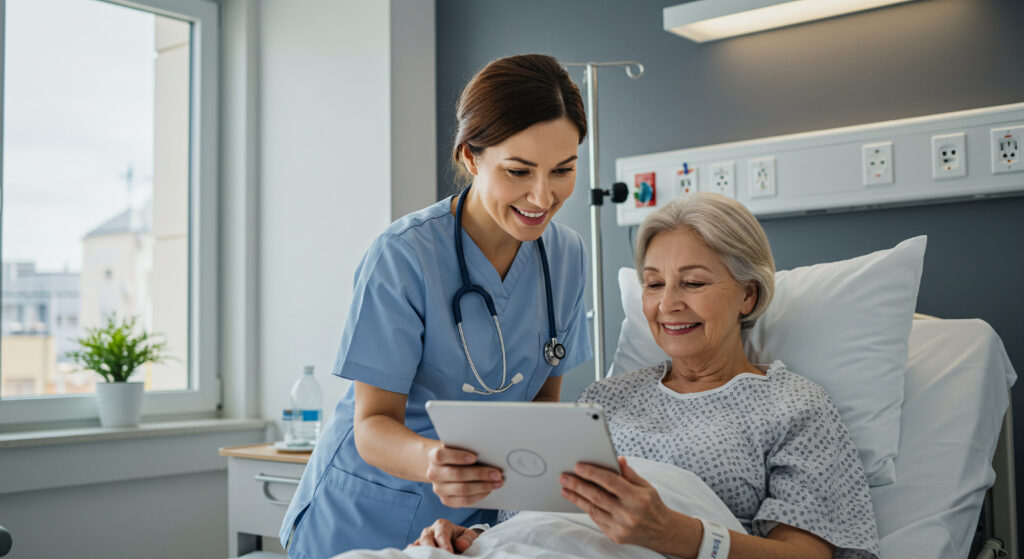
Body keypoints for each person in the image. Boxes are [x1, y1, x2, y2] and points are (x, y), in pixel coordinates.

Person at [412, 193, 879, 559]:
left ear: (748, 297)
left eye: (693, 283)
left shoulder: (794, 407)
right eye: (654, 283)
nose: (668, 304)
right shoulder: (605, 399)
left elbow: (805, 556)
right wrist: (471, 537)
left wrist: (680, 535)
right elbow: (533, 520)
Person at [279, 53, 594, 558]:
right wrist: (437, 462)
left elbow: (539, 409)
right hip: (364, 510)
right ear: (471, 157)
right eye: (518, 171)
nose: (543, 195)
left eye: (563, 169)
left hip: (469, 523)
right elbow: (373, 426)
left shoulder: (567, 256)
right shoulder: (404, 255)